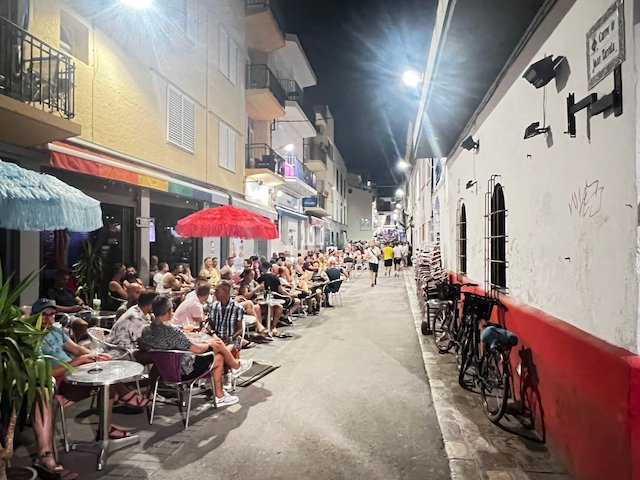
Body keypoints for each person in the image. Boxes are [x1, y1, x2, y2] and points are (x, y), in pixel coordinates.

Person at [33, 298, 149, 441]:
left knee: (107, 368)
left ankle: (106, 427)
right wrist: (78, 361)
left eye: (52, 314)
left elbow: (76, 348)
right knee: (108, 381)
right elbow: (45, 373)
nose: (49, 318)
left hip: (74, 371)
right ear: (34, 316)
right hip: (59, 379)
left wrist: (94, 356)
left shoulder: (55, 331)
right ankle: (120, 405)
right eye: (44, 314)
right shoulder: (32, 338)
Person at [140, 296, 251, 407]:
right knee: (218, 354)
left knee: (217, 344)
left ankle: (235, 368)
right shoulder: (172, 332)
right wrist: (209, 344)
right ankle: (222, 392)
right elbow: (197, 349)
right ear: (169, 311)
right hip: (184, 371)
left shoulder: (146, 331)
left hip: (163, 370)